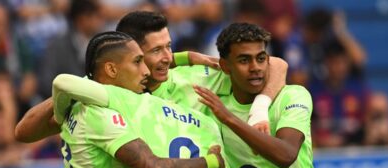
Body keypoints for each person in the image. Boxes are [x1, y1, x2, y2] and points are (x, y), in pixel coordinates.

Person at [47, 31, 235, 168]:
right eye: (138, 62)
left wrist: (60, 115)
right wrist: (211, 163)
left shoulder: (75, 107)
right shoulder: (102, 114)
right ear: (111, 69)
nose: (146, 71)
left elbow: (26, 128)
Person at [193, 23, 331, 168]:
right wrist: (186, 56)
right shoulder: (215, 105)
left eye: (260, 58)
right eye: (243, 60)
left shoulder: (292, 96)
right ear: (225, 66)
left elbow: (286, 154)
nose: (255, 67)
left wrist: (230, 117)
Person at [115, 11, 288, 132]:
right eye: (156, 50)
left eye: (168, 46)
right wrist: (186, 56)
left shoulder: (197, 78)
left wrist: (259, 110)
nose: (167, 57)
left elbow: (277, 65)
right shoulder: (111, 92)